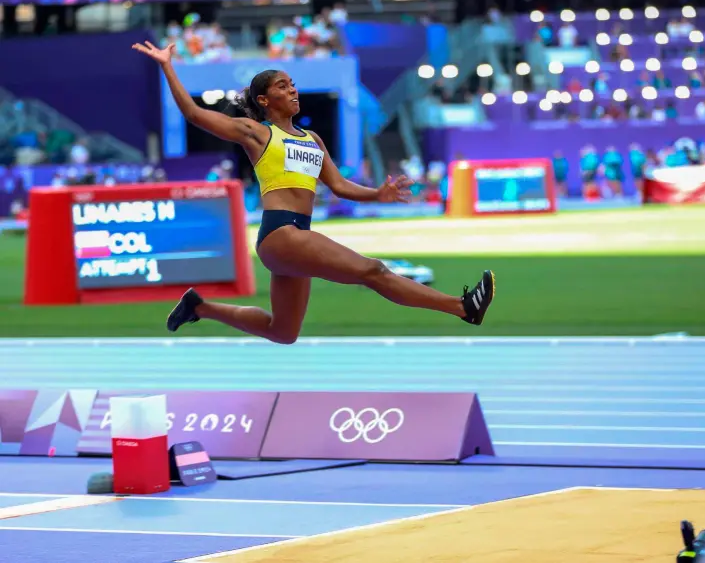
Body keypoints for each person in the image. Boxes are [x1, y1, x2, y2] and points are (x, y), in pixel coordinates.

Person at [131, 41, 495, 344]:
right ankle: (462, 307)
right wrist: (167, 66)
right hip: (280, 233)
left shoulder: (312, 140)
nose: (293, 90)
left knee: (283, 332)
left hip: (295, 239)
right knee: (373, 270)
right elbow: (194, 114)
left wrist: (377, 194)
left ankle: (199, 308)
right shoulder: (256, 133)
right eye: (283, 86)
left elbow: (338, 187)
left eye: (293, 84)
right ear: (263, 100)